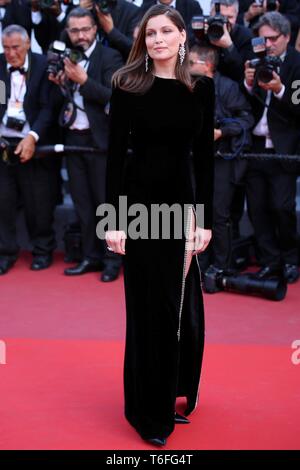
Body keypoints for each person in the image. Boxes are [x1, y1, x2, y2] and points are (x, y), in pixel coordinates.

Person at [105, 4, 214, 445]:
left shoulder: (201, 88)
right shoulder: (128, 85)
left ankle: (168, 393)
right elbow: (114, 158)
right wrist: (112, 220)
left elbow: (205, 160)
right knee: (144, 309)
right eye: (151, 34)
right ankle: (145, 410)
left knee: (173, 308)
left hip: (180, 211)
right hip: (138, 211)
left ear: (182, 35)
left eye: (166, 31)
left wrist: (204, 220)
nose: (158, 40)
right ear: (142, 40)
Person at [49, 7, 124, 282]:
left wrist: (84, 81)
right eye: (74, 30)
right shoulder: (65, 58)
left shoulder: (111, 57)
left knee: (107, 205)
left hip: (102, 142)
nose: (80, 35)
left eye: (85, 29)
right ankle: (90, 256)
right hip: (74, 139)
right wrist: (61, 85)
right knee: (83, 203)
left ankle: (112, 260)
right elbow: (63, 103)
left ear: (95, 29)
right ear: (67, 32)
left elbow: (117, 99)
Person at [189, 44, 254, 281]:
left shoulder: (227, 87)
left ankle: (221, 266)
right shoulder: (185, 85)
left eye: (190, 62)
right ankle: (198, 261)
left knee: (218, 214)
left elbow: (247, 119)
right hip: (194, 158)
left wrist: (221, 132)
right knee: (195, 213)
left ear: (206, 65)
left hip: (222, 159)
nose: (185, 66)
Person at [244, 12, 300, 283]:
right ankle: (269, 260)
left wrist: (280, 90)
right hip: (254, 146)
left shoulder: (298, 65)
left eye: (272, 39)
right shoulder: (256, 60)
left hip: (283, 149)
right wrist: (248, 82)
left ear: (287, 37)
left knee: (282, 207)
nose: (267, 44)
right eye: (262, 39)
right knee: (257, 208)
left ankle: (290, 259)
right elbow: (243, 104)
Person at [0, 24, 57, 275]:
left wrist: (32, 137)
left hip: (35, 144)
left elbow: (48, 107)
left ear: (26, 45)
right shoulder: (0, 67)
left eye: (15, 48)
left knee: (38, 204)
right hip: (4, 145)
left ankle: (42, 251)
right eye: (5, 48)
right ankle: (6, 253)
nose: (10, 53)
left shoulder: (42, 65)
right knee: (3, 202)